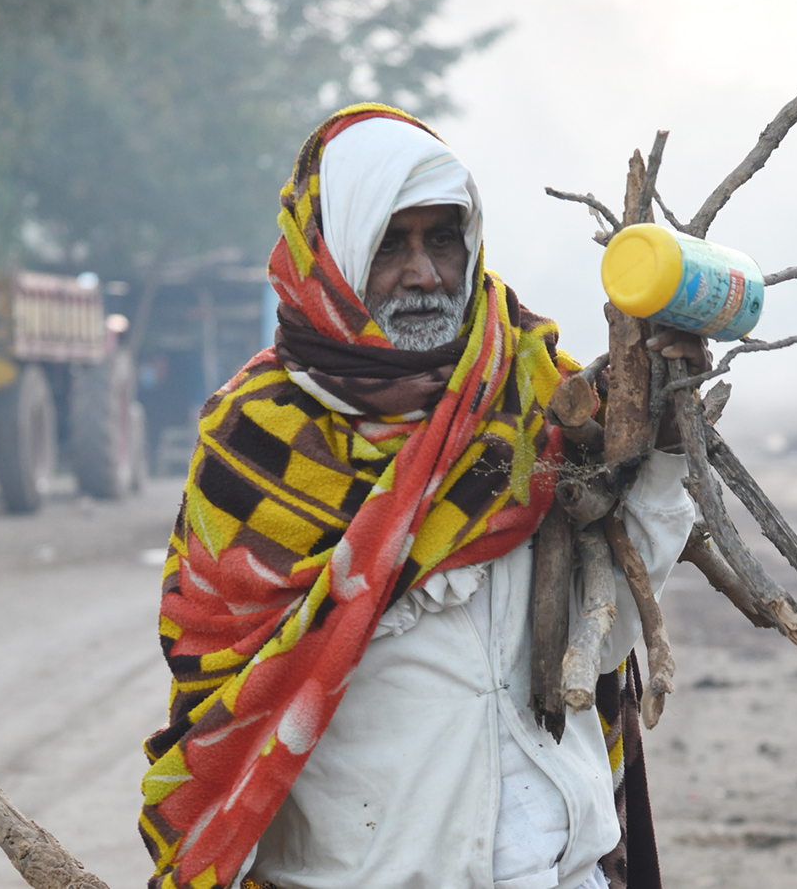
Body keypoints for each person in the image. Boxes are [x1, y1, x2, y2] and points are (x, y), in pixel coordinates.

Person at [139, 104, 706, 889]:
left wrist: (666, 454)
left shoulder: (530, 392)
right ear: (331, 258)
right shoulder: (257, 442)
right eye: (389, 244)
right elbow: (222, 706)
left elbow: (596, 641)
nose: (424, 271)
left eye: (442, 238)